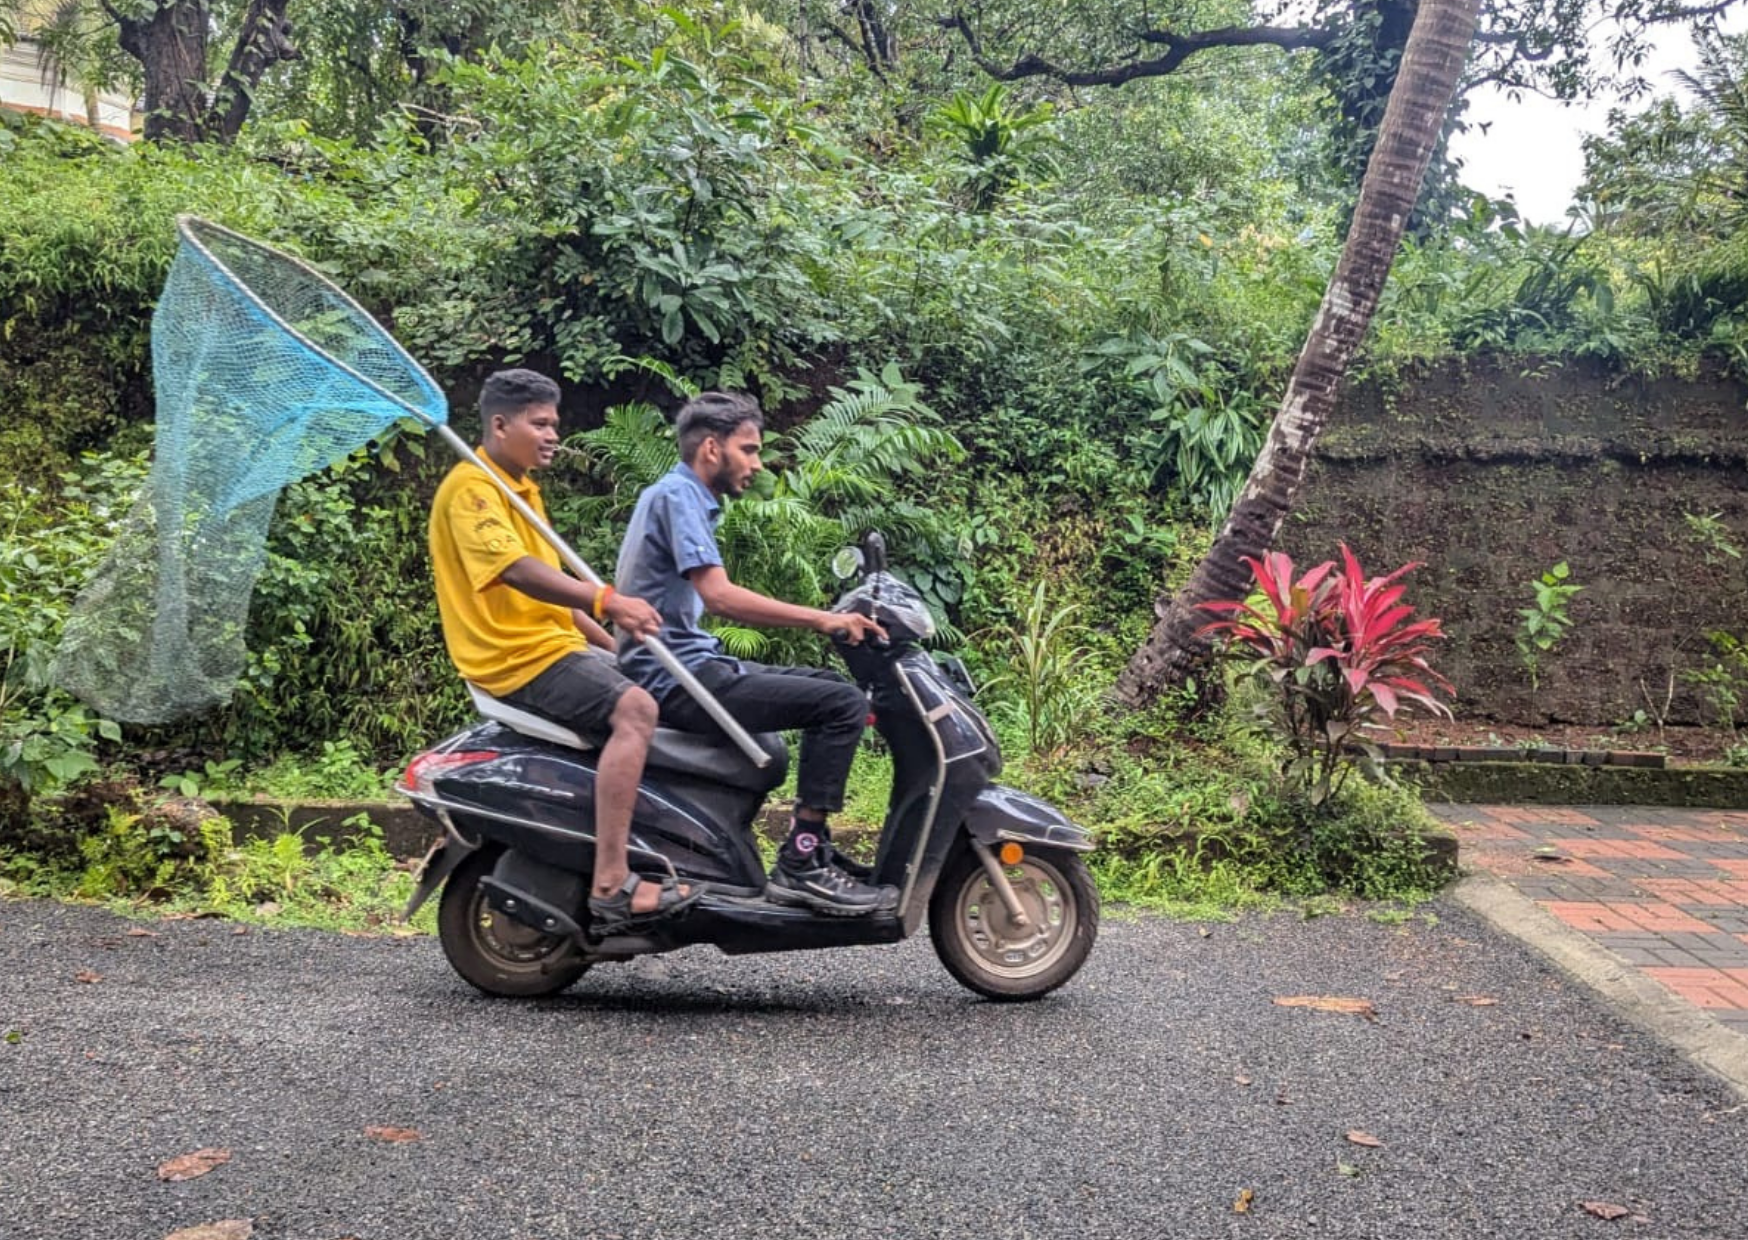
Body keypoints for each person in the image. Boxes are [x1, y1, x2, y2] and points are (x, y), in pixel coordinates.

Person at [428, 368, 698, 934]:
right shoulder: (473, 490)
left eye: (556, 423)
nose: (554, 435)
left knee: (660, 696)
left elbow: (556, 590)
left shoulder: (520, 490)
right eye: (541, 423)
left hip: (550, 644)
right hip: (515, 657)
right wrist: (609, 600)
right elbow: (519, 573)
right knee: (636, 710)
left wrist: (615, 643)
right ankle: (610, 885)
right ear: (500, 425)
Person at [616, 390, 898, 916]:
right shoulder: (678, 498)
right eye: (748, 449)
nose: (757, 463)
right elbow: (719, 596)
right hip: (677, 677)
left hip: (688, 666)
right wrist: (824, 618)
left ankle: (805, 849)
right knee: (840, 705)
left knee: (823, 703)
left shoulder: (679, 497)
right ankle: (803, 863)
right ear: (710, 449)